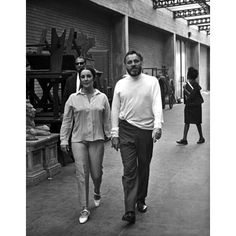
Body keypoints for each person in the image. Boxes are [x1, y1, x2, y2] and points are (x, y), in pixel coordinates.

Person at [111, 50, 163, 224]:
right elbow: (115, 110)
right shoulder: (120, 84)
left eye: (136, 61)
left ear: (141, 62)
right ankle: (129, 209)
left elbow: (157, 104)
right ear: (125, 65)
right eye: (129, 62)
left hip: (146, 131)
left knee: (143, 168)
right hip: (126, 130)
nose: (133, 64)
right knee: (129, 170)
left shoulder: (152, 82)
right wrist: (114, 133)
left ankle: (141, 199)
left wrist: (157, 126)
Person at [60, 66, 111, 224]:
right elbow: (67, 121)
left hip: (97, 141)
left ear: (93, 78)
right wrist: (63, 139)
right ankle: (84, 208)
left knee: (96, 173)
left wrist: (111, 136)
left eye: (89, 76)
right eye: (83, 76)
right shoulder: (73, 98)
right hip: (78, 140)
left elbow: (107, 119)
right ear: (80, 79)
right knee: (82, 174)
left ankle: (96, 190)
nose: (86, 79)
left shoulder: (102, 97)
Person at [176, 67, 205, 145]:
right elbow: (188, 97)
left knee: (197, 122)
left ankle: (201, 137)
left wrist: (186, 89)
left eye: (189, 78)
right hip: (191, 106)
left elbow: (191, 96)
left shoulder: (194, 85)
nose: (189, 80)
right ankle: (185, 139)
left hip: (195, 106)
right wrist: (185, 89)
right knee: (187, 122)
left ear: (190, 77)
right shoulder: (192, 85)